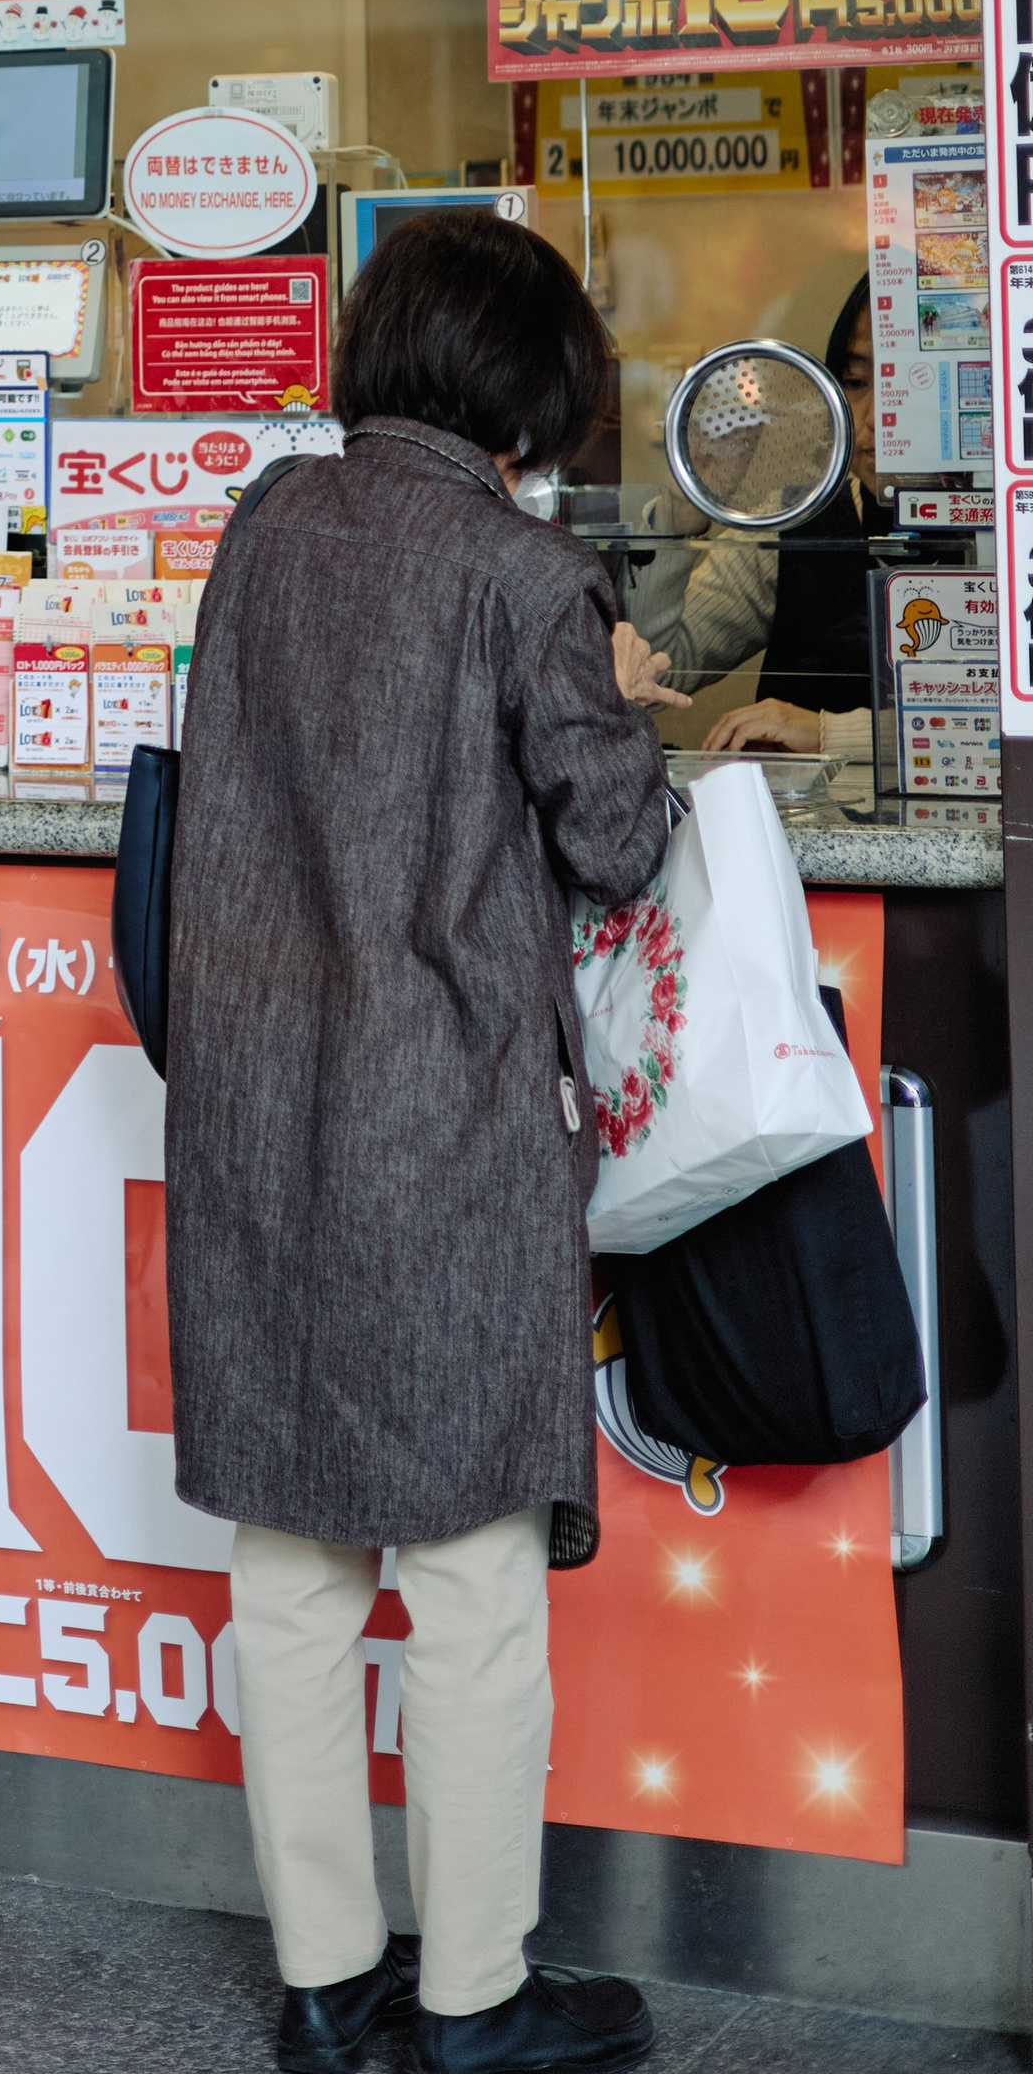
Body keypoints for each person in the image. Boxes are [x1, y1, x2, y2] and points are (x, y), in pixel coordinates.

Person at [164, 212, 676, 2072]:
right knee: (463, 1585)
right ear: (528, 388)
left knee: (290, 1568)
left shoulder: (262, 529)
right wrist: (625, 708)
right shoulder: (520, 572)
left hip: (249, 1103)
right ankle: (471, 2001)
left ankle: (322, 1984)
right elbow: (617, 847)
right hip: (436, 1122)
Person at [629, 278, 912, 761]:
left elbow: (999, 726)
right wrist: (689, 501)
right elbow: (651, 674)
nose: (873, 416)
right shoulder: (790, 521)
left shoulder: (1008, 541)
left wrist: (829, 733)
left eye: (908, 382)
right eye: (857, 382)